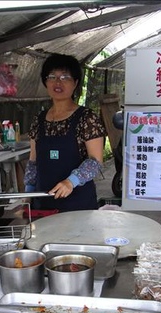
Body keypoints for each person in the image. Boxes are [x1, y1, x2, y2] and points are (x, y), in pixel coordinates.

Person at [24, 53, 107, 212]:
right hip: (43, 202)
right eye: (52, 77)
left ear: (75, 83)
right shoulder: (39, 120)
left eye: (65, 77)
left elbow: (96, 162)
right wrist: (27, 194)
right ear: (45, 81)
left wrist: (71, 181)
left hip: (78, 204)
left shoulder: (87, 118)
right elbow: (33, 163)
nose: (57, 82)